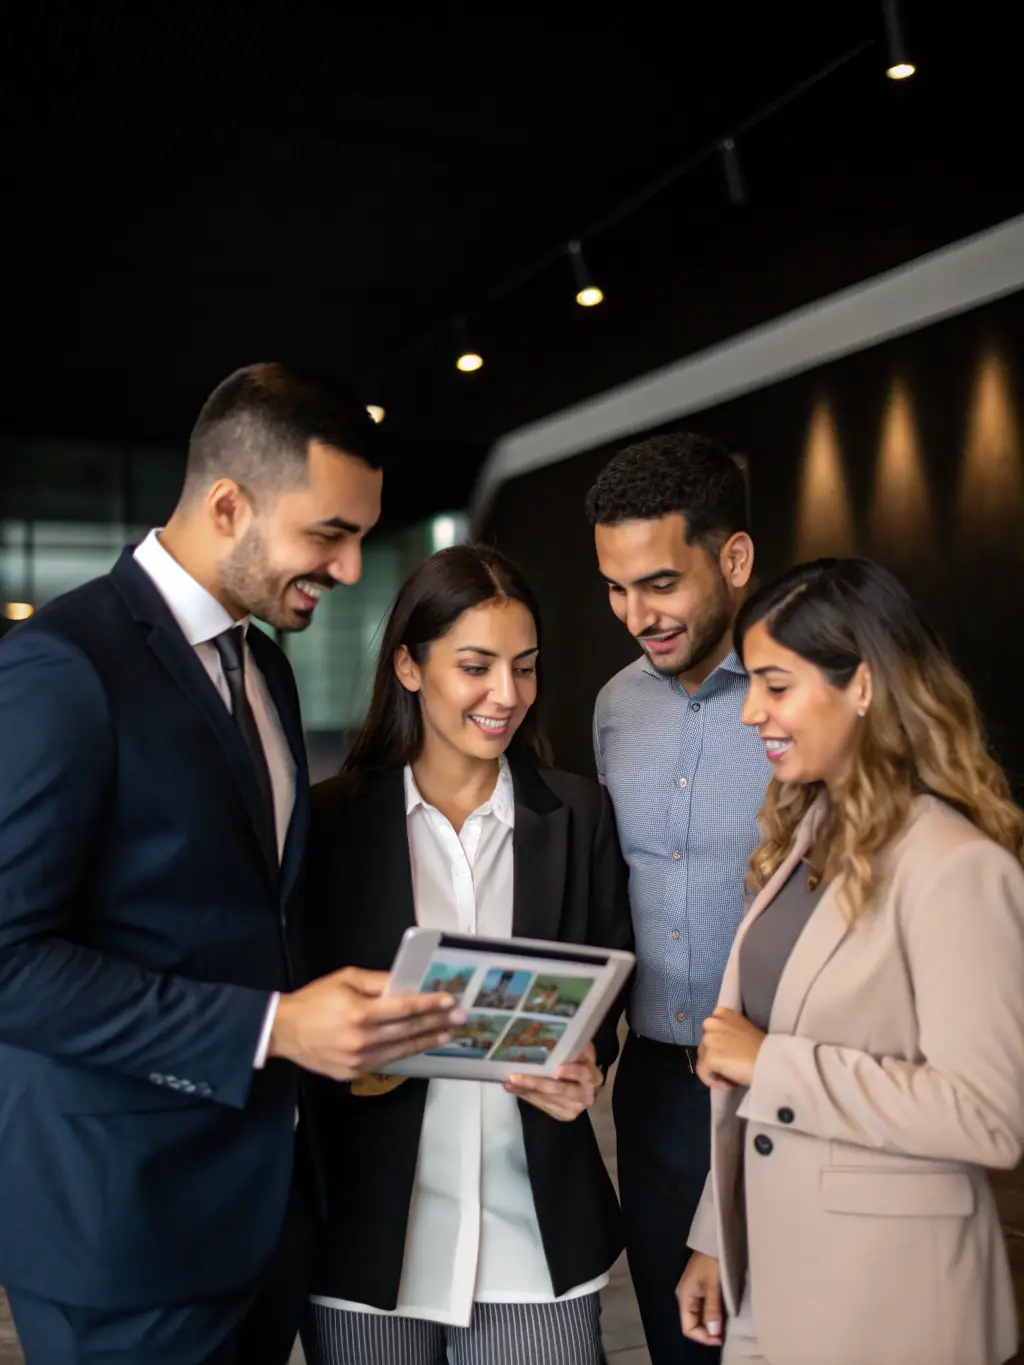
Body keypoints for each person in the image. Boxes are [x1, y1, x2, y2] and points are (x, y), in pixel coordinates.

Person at [0, 364, 464, 1365]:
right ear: (226, 504)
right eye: (329, 534)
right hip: (119, 1235)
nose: (349, 570)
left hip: (264, 1217)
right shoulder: (63, 668)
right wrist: (272, 1025)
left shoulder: (265, 669)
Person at [678, 558, 1024, 1365]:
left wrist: (776, 1064)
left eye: (774, 684)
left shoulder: (957, 866)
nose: (749, 712)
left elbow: (989, 1115)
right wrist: (713, 1239)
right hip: (772, 1275)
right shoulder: (806, 833)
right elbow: (749, 1061)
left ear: (861, 685)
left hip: (892, 1298)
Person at [301, 544, 633, 1365]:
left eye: (525, 667)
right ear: (410, 667)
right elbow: (296, 1006)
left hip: (536, 1235)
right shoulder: (330, 825)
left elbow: (604, 991)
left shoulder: (580, 815)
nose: (507, 695)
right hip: (369, 1234)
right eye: (476, 666)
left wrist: (585, 1063)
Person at [585, 433, 771, 1364]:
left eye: (659, 582)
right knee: (680, 1345)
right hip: (658, 1091)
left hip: (789, 1082)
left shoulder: (808, 698)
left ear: (733, 558)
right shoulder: (616, 706)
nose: (634, 614)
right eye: (615, 588)